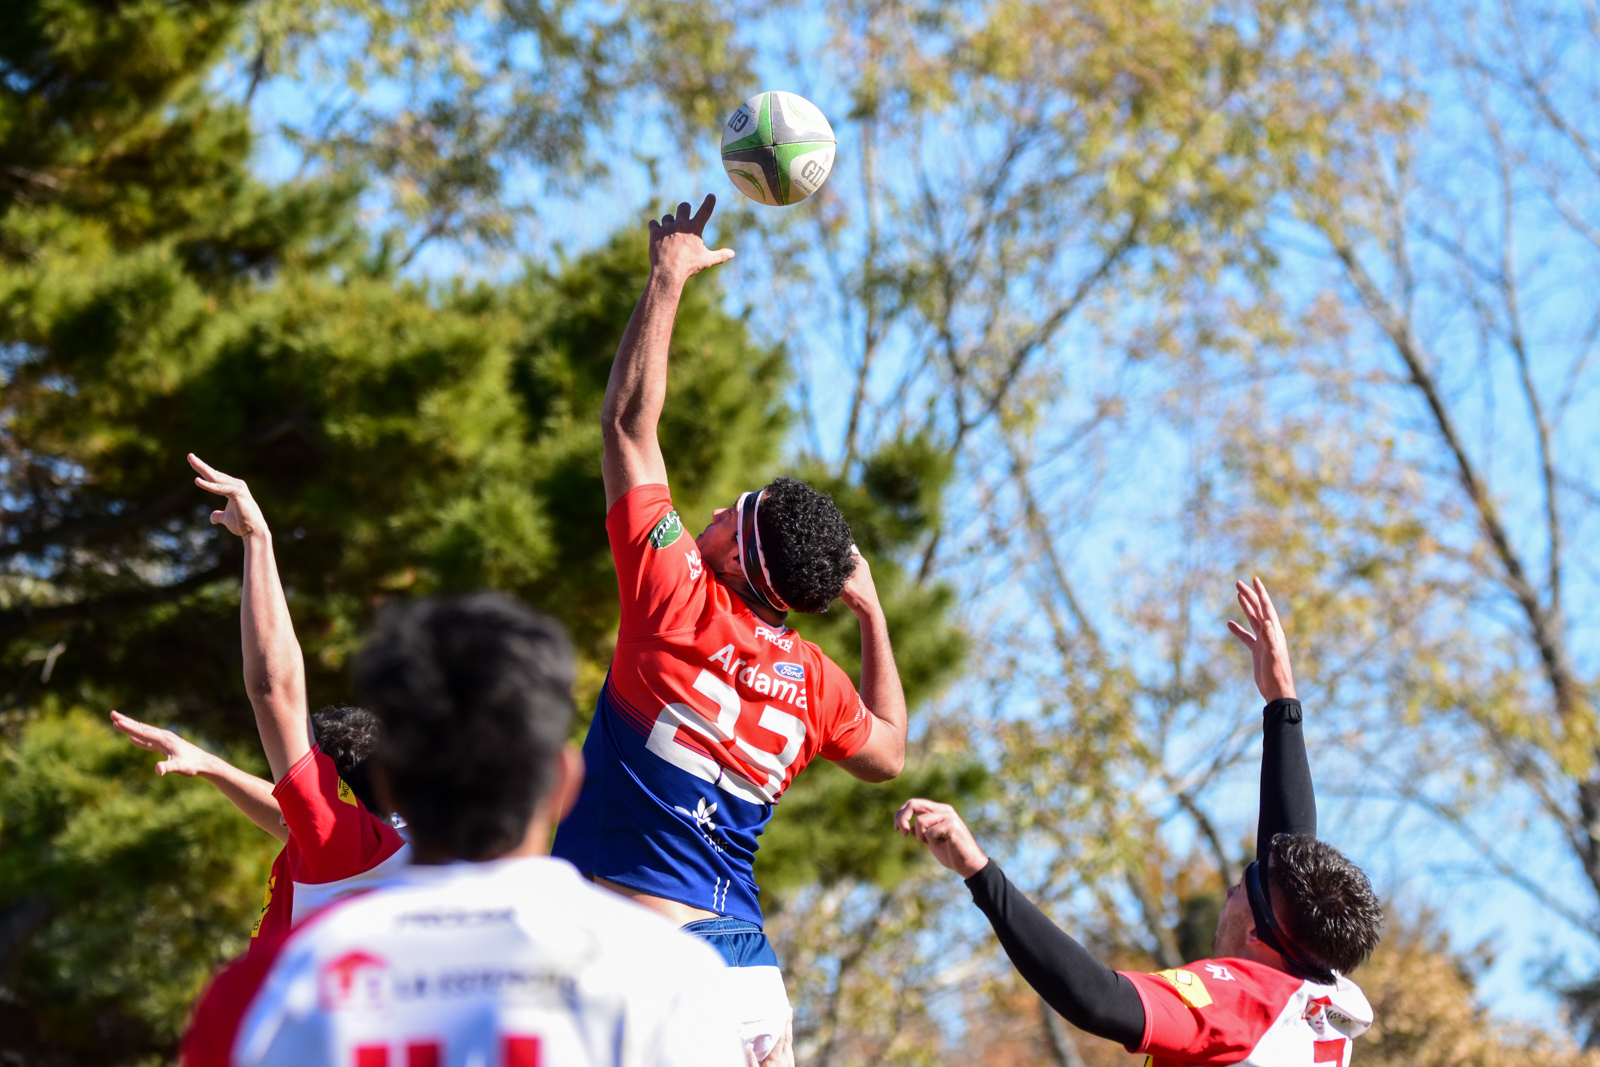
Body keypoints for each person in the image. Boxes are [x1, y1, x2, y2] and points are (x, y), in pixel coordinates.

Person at [547, 195, 909, 1061]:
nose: (709, 509)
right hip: (746, 975)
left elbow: (628, 423)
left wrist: (666, 278)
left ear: (744, 563)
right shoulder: (816, 681)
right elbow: (890, 752)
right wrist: (873, 613)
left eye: (728, 515)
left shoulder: (672, 594)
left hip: (642, 964)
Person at [183, 594, 748, 1067]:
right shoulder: (663, 974)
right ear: (564, 782)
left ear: (390, 784)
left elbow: (275, 700)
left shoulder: (262, 990)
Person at [896, 578, 1383, 1067]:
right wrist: (1282, 704)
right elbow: (1288, 866)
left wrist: (979, 873)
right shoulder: (1318, 999)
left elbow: (1098, 999)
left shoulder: (1243, 1007)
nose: (1231, 892)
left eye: (1242, 887)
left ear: (1260, 938)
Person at [188, 454, 409, 952]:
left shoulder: (347, 853)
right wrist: (212, 767)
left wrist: (257, 542)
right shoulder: (398, 842)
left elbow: (274, 692)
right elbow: (286, 814)